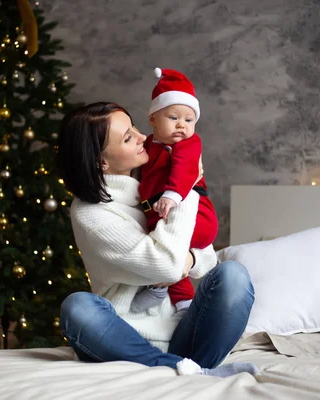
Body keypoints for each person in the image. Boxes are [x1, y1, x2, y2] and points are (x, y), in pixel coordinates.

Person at [57, 102, 257, 377]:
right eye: (128, 137)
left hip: (185, 333)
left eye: (134, 128)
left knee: (233, 275)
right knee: (78, 308)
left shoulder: (155, 179)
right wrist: (186, 190)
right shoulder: (90, 213)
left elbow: (207, 259)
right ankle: (187, 371)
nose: (142, 137)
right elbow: (168, 267)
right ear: (101, 162)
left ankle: (188, 368)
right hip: (125, 339)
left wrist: (189, 258)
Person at [131, 67, 218, 315]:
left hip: (195, 213)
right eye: (173, 118)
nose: (182, 125)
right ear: (152, 120)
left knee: (167, 252)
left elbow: (185, 169)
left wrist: (172, 195)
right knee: (167, 251)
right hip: (160, 213)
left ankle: (157, 288)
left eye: (188, 120)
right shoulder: (148, 145)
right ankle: (184, 305)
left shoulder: (188, 144)